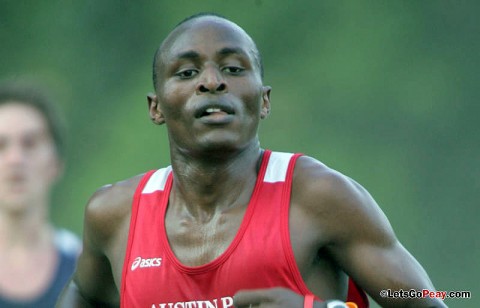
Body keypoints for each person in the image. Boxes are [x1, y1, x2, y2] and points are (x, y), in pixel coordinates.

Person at [57, 13, 446, 308]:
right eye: (188, 72)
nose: (211, 81)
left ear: (264, 100)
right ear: (156, 107)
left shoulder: (320, 197)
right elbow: (84, 294)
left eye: (233, 68)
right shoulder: (114, 215)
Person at [0, 81, 81, 308]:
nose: (15, 159)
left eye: (30, 143)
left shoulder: (86, 269)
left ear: (56, 162)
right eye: (1, 145)